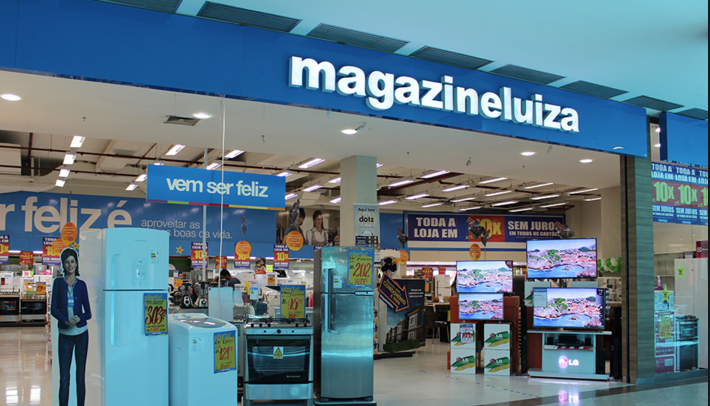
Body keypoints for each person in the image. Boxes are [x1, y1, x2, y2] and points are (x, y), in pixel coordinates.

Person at [50, 248, 92, 406]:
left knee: (80, 376)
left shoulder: (82, 285)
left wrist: (79, 317)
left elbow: (88, 313)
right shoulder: (58, 283)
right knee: (64, 378)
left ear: (76, 263)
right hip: (65, 335)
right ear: (63, 264)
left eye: (72, 261)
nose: (70, 265)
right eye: (67, 262)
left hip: (82, 335)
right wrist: (65, 321)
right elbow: (53, 309)